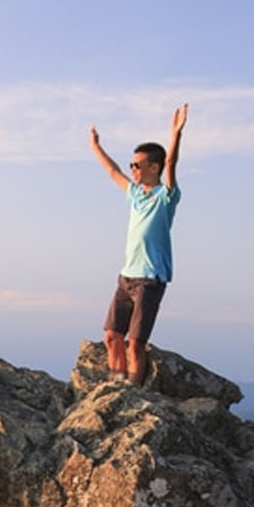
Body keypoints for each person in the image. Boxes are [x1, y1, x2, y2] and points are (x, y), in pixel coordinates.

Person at [88, 104, 188, 384]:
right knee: (112, 337)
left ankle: (133, 392)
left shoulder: (165, 197)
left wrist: (176, 135)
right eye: (131, 164)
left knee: (135, 343)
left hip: (150, 280)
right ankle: (117, 385)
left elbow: (171, 164)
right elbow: (112, 171)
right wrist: (96, 147)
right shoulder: (135, 195)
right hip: (126, 276)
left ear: (153, 167)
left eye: (137, 165)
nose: (132, 169)